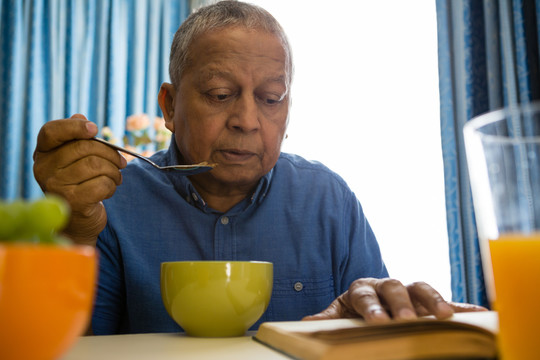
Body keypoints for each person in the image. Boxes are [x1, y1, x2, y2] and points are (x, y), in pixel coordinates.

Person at [33, 1, 483, 335]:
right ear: (169, 107)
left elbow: (374, 332)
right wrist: (76, 231)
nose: (247, 121)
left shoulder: (328, 200)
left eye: (271, 98)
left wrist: (386, 315)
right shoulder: (111, 204)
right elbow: (73, 347)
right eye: (219, 93)